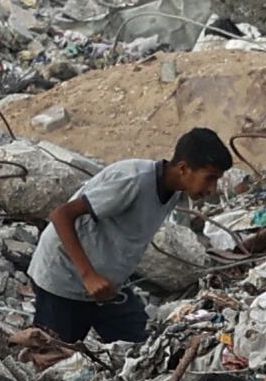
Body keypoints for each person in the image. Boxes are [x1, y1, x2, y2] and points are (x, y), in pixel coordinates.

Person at [26, 128, 233, 349]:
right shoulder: (134, 180)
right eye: (210, 178)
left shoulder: (173, 191)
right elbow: (61, 215)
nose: (212, 188)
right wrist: (89, 276)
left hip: (107, 288)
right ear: (183, 168)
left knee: (145, 349)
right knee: (54, 356)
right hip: (63, 280)